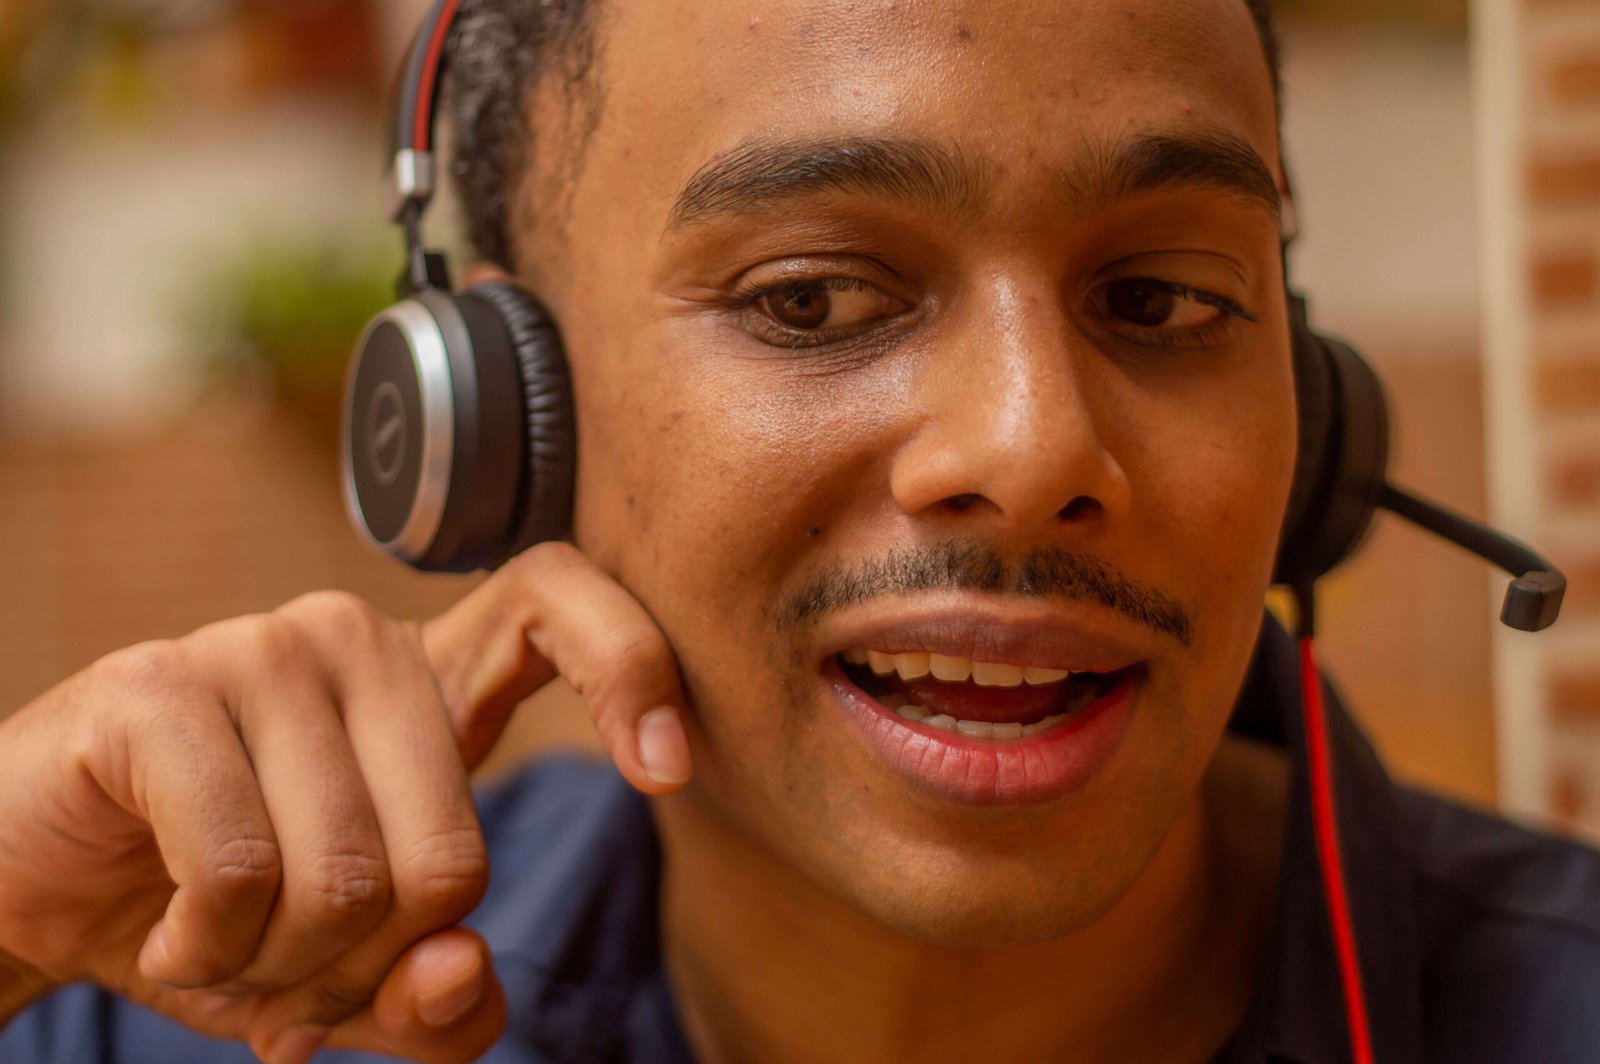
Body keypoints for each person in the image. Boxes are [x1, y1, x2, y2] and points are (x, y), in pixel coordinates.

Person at [1, 0, 1597, 1061]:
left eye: (1165, 299)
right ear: (500, 421)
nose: (1036, 448)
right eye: (814, 299)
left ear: (1311, 418)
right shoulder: (174, 1004)